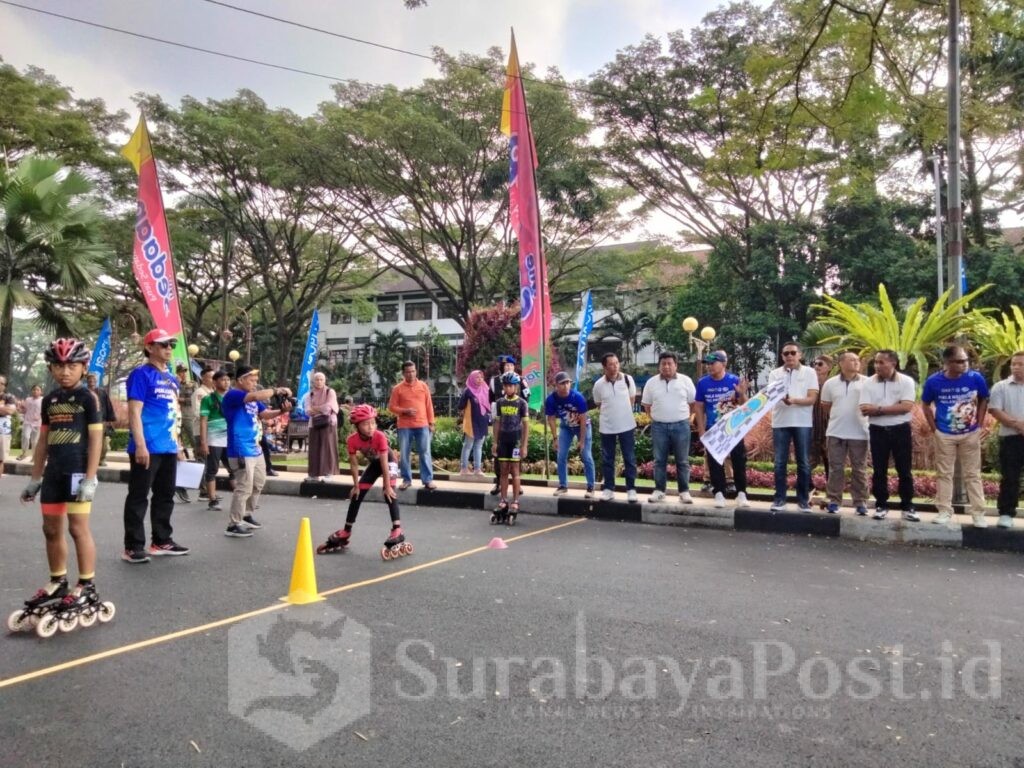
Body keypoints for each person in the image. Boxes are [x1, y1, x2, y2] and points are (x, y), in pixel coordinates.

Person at [15, 339, 108, 632]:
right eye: (58, 366)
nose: (65, 371)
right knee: (50, 529)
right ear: (52, 368)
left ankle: (86, 584)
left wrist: (91, 478)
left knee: (77, 528)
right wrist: (34, 478)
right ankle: (57, 581)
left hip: (78, 471)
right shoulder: (50, 400)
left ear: (82, 367)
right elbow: (43, 440)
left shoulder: (88, 398)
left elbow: (95, 439)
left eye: (71, 366)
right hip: (54, 473)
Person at [122, 329, 190, 563]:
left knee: (165, 496)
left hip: (168, 446)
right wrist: (140, 445)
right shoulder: (141, 374)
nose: (168, 349)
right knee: (139, 496)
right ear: (150, 348)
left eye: (170, 345)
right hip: (148, 446)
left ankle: (161, 540)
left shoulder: (171, 378)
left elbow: (174, 414)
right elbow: (134, 411)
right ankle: (133, 546)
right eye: (162, 345)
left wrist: (178, 445)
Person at [316, 404, 411, 560]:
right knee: (357, 494)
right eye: (366, 424)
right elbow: (353, 464)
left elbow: (385, 464)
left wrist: (387, 485)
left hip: (389, 462)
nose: (370, 427)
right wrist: (355, 485)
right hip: (374, 464)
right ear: (357, 426)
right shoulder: (352, 441)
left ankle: (397, 529)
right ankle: (346, 531)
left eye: (373, 423)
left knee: (389, 493)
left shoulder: (380, 436)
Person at [922, 345, 990, 528]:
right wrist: (934, 428)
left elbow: (984, 398)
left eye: (966, 360)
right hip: (944, 434)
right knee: (944, 474)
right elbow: (925, 404)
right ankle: (944, 511)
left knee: (973, 474)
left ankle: (978, 514)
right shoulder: (934, 381)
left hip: (970, 433)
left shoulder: (975, 378)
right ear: (947, 363)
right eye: (960, 361)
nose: (964, 364)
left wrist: (980, 424)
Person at [221, 365, 291, 537]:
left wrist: (282, 411)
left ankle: (246, 514)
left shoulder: (253, 401)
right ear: (240, 380)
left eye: (255, 381)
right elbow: (255, 395)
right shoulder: (234, 395)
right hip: (240, 449)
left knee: (258, 482)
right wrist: (277, 390)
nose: (254, 383)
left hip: (255, 448)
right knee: (244, 486)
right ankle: (233, 524)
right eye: (251, 380)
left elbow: (265, 413)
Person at [859, 350, 918, 521]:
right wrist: (893, 408)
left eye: (881, 362)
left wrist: (878, 409)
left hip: (901, 429)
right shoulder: (868, 383)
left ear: (893, 363)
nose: (877, 365)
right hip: (877, 430)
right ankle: (881, 505)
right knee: (879, 470)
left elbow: (906, 407)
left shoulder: (906, 381)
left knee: (904, 470)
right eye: (876, 362)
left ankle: (907, 506)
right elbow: (865, 409)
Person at [694, 350, 750, 509]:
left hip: (733, 428)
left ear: (724, 363)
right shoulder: (702, 383)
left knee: (739, 460)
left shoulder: (734, 380)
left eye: (713, 363)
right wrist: (701, 429)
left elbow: (745, 406)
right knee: (714, 462)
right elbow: (699, 407)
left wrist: (742, 394)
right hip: (713, 429)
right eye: (708, 364)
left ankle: (741, 493)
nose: (709, 366)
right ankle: (719, 493)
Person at [768, 342, 818, 513]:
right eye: (786, 353)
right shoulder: (775, 373)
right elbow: (771, 396)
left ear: (800, 355)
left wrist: (793, 400)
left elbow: (812, 399)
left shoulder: (810, 372)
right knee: (779, 462)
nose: (789, 356)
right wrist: (782, 399)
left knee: (803, 462)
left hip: (802, 422)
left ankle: (803, 500)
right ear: (782, 356)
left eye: (792, 353)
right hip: (780, 422)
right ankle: (779, 499)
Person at [819, 351, 871, 516]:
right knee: (836, 468)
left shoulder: (868, 382)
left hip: (860, 432)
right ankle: (834, 501)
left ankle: (861, 502)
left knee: (860, 469)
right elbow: (826, 405)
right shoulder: (830, 383)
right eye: (851, 360)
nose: (856, 362)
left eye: (857, 360)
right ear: (841, 363)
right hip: (836, 432)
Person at [641, 351, 696, 504]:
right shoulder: (651, 383)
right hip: (659, 427)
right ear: (659, 366)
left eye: (669, 363)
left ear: (676, 365)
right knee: (659, 460)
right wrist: (656, 419)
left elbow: (693, 403)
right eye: (663, 364)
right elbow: (647, 406)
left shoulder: (686, 381)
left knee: (682, 461)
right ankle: (659, 491)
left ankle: (684, 491)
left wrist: (689, 418)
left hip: (681, 426)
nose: (666, 367)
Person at [592, 352, 638, 502]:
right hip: (607, 427)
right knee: (607, 459)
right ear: (604, 367)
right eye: (611, 364)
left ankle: (631, 489)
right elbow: (599, 404)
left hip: (627, 425)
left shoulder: (627, 379)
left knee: (629, 458)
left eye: (617, 363)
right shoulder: (598, 385)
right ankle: (609, 489)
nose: (615, 366)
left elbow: (632, 399)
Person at [988, 350, 1024, 529]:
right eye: (1014, 364)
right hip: (1010, 438)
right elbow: (995, 410)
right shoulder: (1000, 387)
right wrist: (1018, 425)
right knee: (1010, 476)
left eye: (1021, 364)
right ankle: (1006, 513)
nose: (1016, 367)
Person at [545, 371, 595, 498]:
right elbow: (550, 418)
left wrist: (582, 441)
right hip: (566, 427)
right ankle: (563, 485)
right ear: (556, 385)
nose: (566, 386)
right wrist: (555, 438)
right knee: (561, 455)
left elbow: (584, 419)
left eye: (568, 383)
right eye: (562, 383)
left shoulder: (577, 397)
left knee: (586, 455)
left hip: (582, 427)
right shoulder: (551, 399)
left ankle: (590, 487)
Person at [389, 360, 437, 490]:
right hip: (405, 426)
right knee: (405, 454)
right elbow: (391, 407)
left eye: (413, 371)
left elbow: (429, 405)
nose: (411, 374)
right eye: (408, 372)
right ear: (403, 373)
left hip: (422, 425)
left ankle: (427, 480)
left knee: (425, 452)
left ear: (416, 371)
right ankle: (406, 479)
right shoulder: (397, 389)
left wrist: (431, 423)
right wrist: (404, 411)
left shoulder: (423, 386)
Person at [491, 371, 528, 524]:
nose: (508, 388)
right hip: (503, 441)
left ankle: (516, 501)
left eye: (511, 385)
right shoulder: (499, 402)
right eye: (506, 386)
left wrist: (524, 445)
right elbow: (497, 423)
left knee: (515, 471)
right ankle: (504, 499)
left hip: (516, 440)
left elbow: (526, 425)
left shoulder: (521, 403)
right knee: (503, 471)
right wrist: (494, 442)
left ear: (516, 387)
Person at [488, 354, 529, 494]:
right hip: (501, 422)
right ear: (502, 367)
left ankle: (518, 484)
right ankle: (499, 482)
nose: (508, 368)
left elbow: (526, 396)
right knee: (499, 456)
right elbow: (491, 399)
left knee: (517, 458)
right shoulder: (495, 381)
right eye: (506, 366)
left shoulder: (521, 380)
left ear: (514, 367)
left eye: (510, 366)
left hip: (516, 423)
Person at [198, 370, 232, 512]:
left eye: (228, 380)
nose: (226, 382)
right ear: (215, 382)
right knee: (212, 470)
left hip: (230, 439)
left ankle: (241, 499)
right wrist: (203, 442)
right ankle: (212, 500)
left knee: (234, 468)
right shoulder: (208, 399)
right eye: (223, 380)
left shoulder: (232, 397)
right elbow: (203, 421)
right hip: (214, 439)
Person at [303, 372, 339, 482]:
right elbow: (307, 410)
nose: (319, 382)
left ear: (325, 381)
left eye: (321, 379)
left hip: (328, 423)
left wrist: (315, 408)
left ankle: (329, 473)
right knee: (314, 449)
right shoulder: (310, 395)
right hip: (314, 424)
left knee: (328, 448)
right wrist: (320, 409)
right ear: (313, 381)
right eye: (317, 379)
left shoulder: (330, 392)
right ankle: (313, 475)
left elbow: (329, 408)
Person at [457, 370, 490, 475]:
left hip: (482, 422)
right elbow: (460, 406)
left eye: (481, 377)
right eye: (477, 377)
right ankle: (464, 468)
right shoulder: (468, 391)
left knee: (478, 446)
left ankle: (477, 469)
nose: (480, 379)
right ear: (472, 378)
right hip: (471, 422)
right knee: (468, 445)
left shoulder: (486, 389)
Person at [810, 354, 833, 485]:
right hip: (812, 430)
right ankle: (807, 491)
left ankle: (832, 495)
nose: (816, 366)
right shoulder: (809, 384)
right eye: (815, 364)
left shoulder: (833, 384)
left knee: (831, 464)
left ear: (829, 367)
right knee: (807, 464)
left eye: (820, 364)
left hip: (829, 430)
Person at [85, 374, 116, 467]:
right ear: (87, 382)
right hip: (86, 421)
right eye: (90, 381)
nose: (91, 382)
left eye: (93, 380)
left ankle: (101, 459)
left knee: (102, 442)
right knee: (87, 441)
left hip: (100, 421)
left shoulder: (102, 392)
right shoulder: (83, 392)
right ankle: (87, 460)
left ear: (96, 381)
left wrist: (109, 420)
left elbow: (108, 405)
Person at [192, 368, 214, 493]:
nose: (213, 380)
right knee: (202, 461)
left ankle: (207, 489)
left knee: (209, 461)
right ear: (203, 378)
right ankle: (203, 490)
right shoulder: (200, 393)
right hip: (200, 431)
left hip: (210, 431)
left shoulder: (213, 392)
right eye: (210, 377)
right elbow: (197, 412)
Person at [17, 384, 43, 461]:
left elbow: (46, 411)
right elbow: (24, 410)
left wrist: (40, 416)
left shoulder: (43, 400)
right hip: (27, 422)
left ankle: (34, 457)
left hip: (38, 423)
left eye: (38, 390)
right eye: (34, 389)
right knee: (25, 436)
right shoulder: (28, 399)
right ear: (32, 391)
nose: (35, 391)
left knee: (35, 441)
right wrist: (19, 409)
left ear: (41, 392)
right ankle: (24, 453)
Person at [0, 374, 17, 478]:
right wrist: (2, 409)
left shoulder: (9, 397)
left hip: (2, 432)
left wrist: (5, 410)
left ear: (4, 386)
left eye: (1, 383)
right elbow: (5, 410)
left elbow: (10, 410)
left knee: (0, 459)